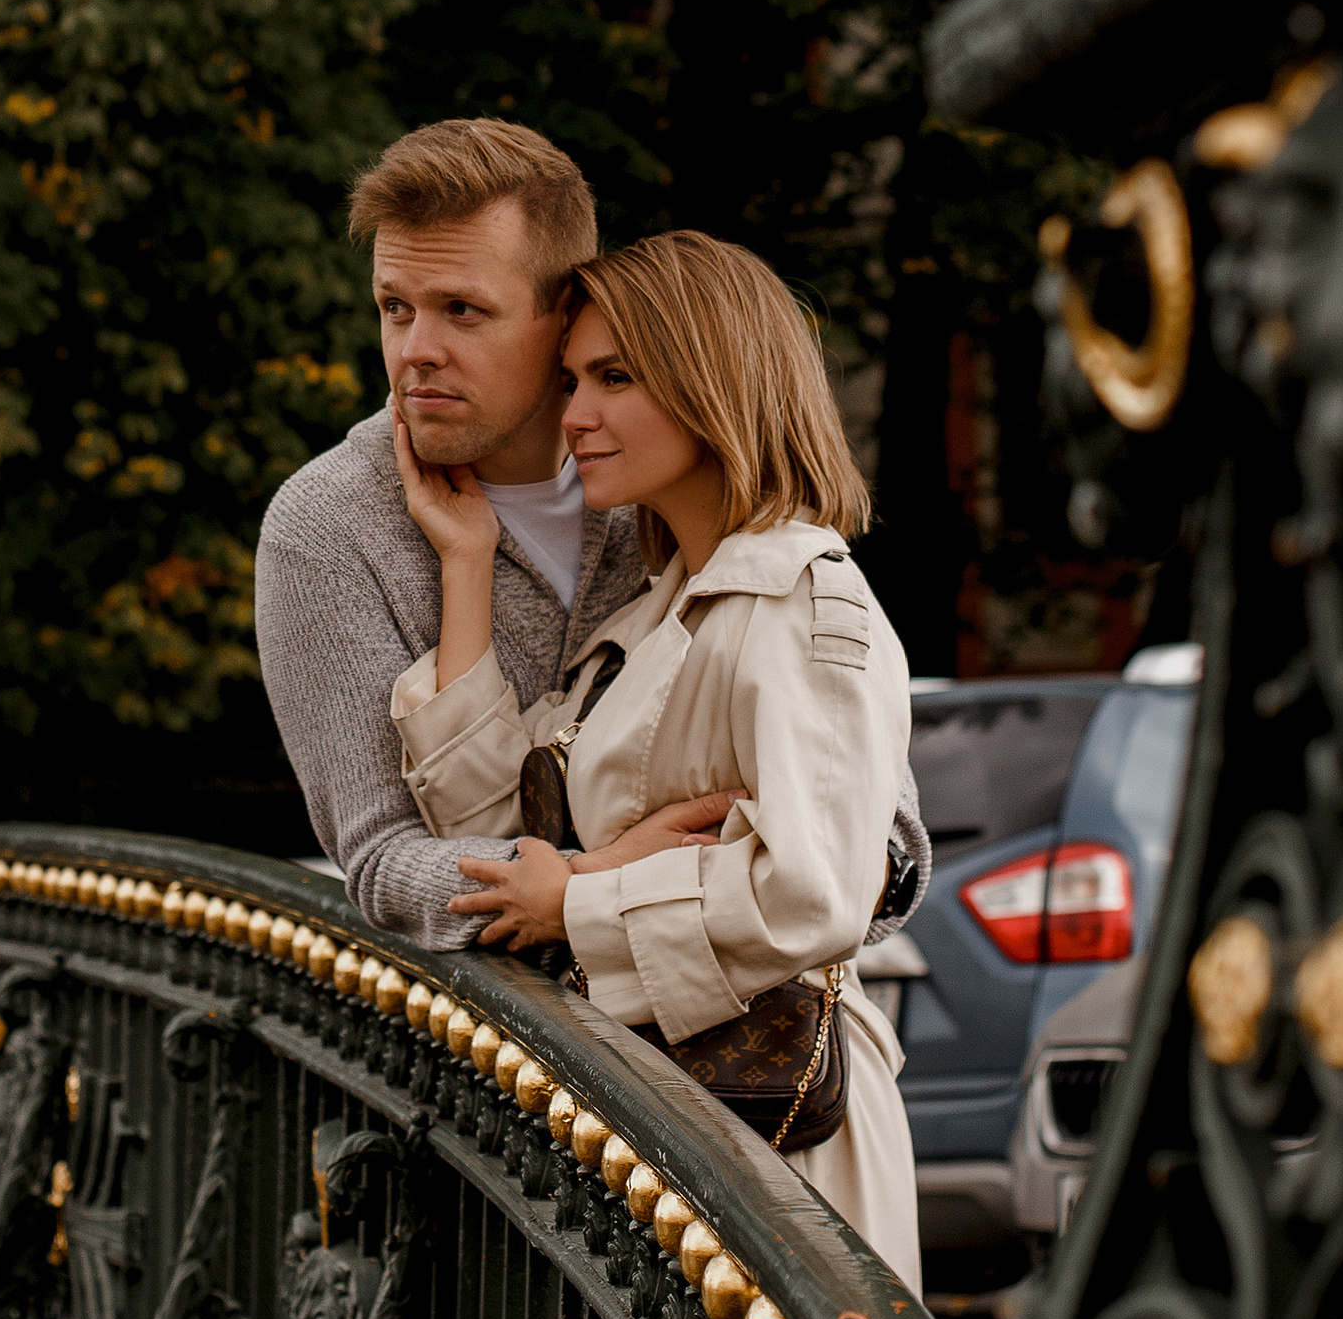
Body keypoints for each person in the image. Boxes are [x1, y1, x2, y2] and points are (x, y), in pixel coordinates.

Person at [386, 230, 928, 1294]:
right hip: (672, 1134)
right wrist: (466, 562)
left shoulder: (804, 603)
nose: (574, 416)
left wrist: (579, 900)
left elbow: (816, 892)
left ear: (711, 382)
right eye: (572, 381)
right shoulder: (658, 615)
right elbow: (494, 835)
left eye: (614, 379)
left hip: (781, 1139)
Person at [257, 118, 929, 954]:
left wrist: (592, 890)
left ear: (565, 311)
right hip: (498, 1033)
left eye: (463, 310)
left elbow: (873, 855)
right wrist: (595, 877)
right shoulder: (328, 527)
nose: (416, 351)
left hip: (737, 1029)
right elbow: (385, 863)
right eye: (396, 308)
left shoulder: (668, 496)